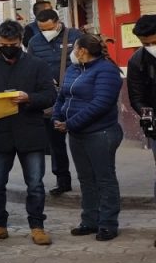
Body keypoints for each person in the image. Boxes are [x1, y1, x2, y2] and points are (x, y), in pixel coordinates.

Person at [0, 20, 57, 246]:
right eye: (3, 44)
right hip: (0, 133)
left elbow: (50, 95)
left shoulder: (37, 65)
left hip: (30, 131)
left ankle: (37, 226)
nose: (8, 47)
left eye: (13, 43)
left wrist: (28, 98)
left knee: (36, 184)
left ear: (21, 42)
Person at [53, 35, 124, 241]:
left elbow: (101, 104)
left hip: (100, 133)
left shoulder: (107, 71)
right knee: (86, 179)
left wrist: (70, 123)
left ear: (82, 50)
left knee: (104, 178)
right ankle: (89, 221)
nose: (72, 52)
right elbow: (62, 96)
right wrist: (58, 117)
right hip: (76, 134)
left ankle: (108, 224)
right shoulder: (73, 69)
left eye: (74, 48)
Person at [27, 9, 83, 196]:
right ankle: (62, 180)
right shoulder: (34, 42)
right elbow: (31, 67)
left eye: (49, 28)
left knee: (82, 141)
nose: (46, 32)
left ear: (57, 23)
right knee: (56, 143)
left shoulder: (75, 36)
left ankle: (87, 178)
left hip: (76, 96)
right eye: (42, 29)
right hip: (52, 100)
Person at [126, 15, 156, 212]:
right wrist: (150, 117)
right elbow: (136, 98)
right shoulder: (137, 61)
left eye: (155, 41)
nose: (151, 46)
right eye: (146, 43)